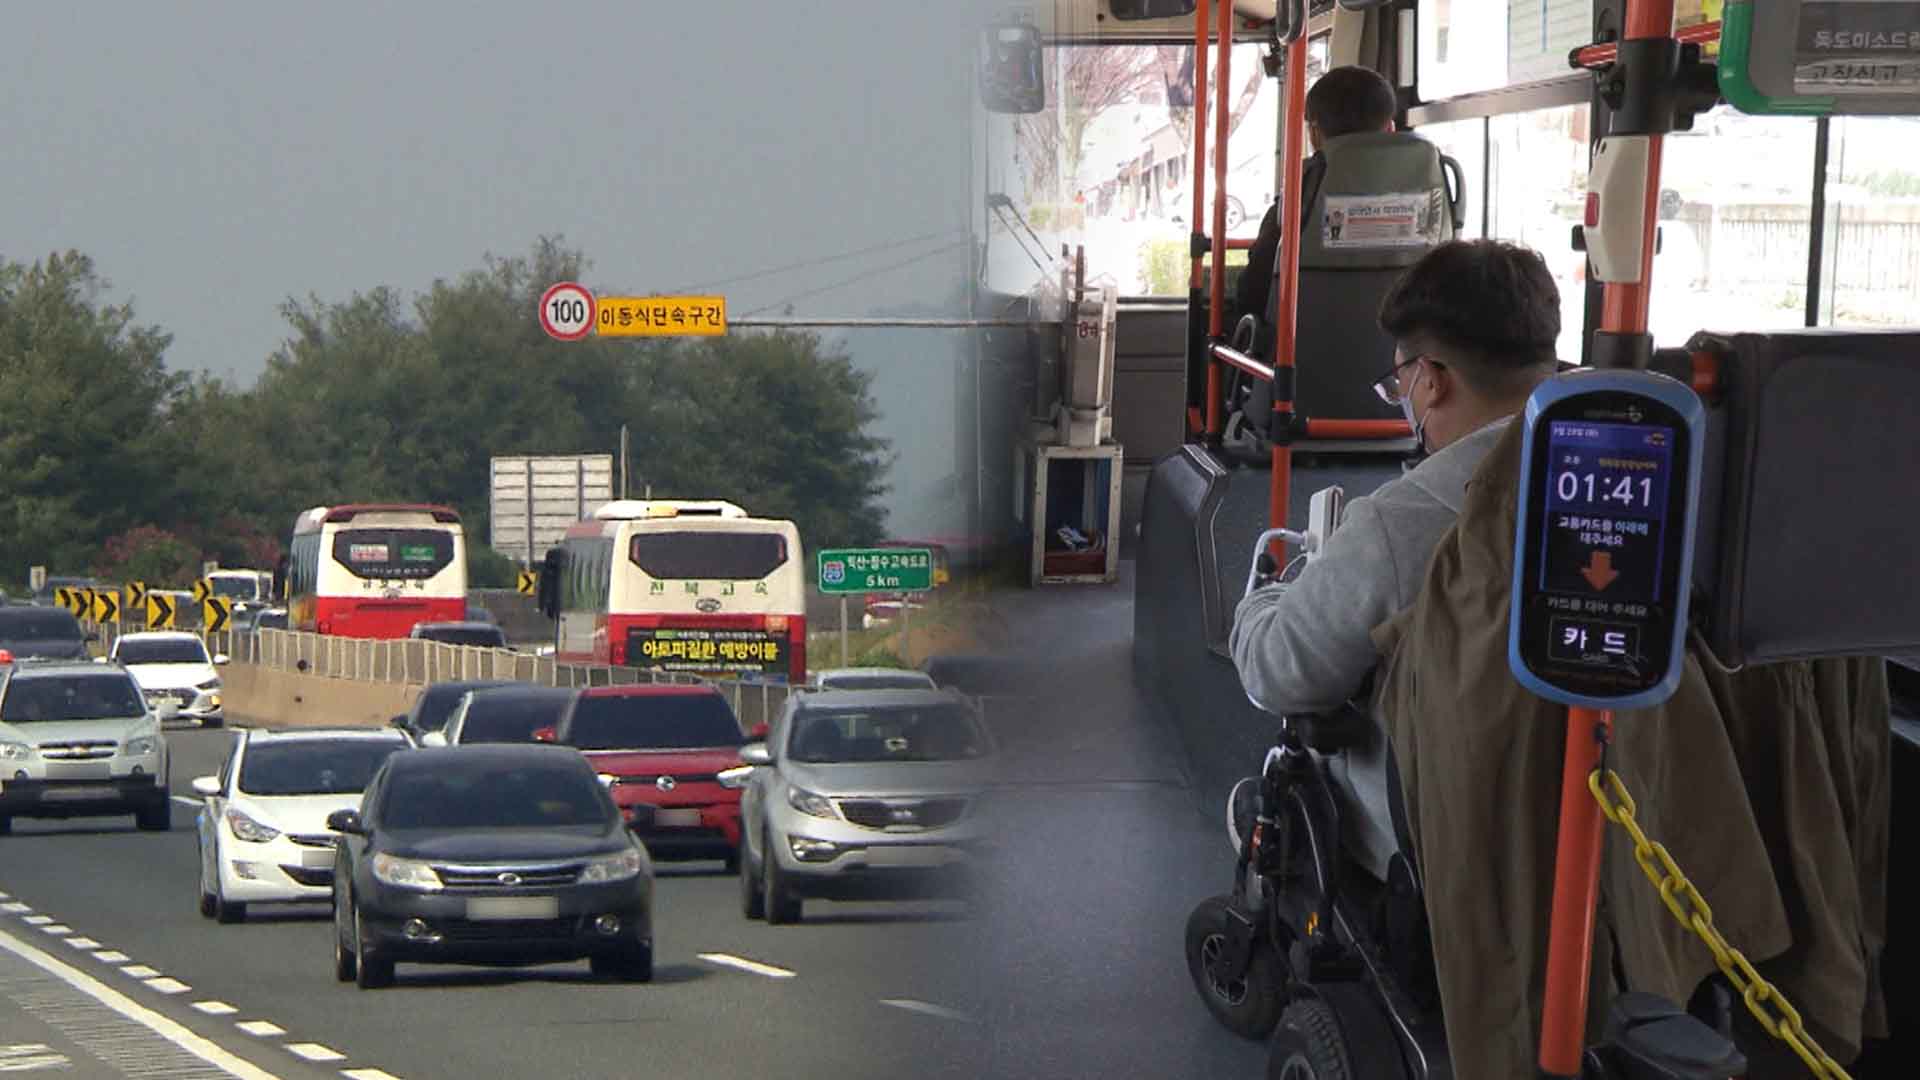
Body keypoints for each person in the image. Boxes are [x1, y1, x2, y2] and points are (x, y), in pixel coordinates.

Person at [1227, 238, 1563, 873]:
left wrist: (1265, 601)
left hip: (1452, 834)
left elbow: (1278, 672)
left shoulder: (1404, 522)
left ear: (1431, 382)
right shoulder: (1640, 478)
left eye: (1400, 384)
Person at [1229, 64, 1399, 328]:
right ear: (1390, 128)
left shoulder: (1302, 195)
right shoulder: (1430, 190)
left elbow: (1253, 293)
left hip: (1300, 362)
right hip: (1406, 363)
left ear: (1314, 133)